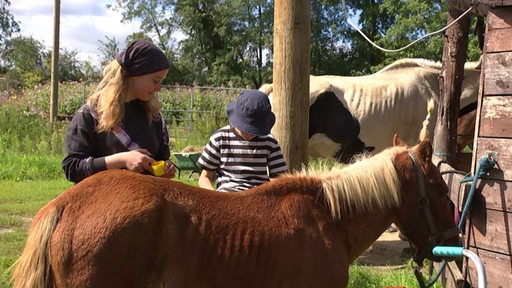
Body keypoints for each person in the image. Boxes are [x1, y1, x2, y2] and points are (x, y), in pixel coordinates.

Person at [62, 40, 176, 183]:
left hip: (146, 199)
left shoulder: (155, 117)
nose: (158, 88)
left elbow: (161, 158)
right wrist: (122, 160)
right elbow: (72, 168)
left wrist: (166, 167)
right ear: (135, 74)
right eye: (155, 80)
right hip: (100, 200)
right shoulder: (90, 114)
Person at [197, 89, 288, 192]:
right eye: (247, 129)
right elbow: (204, 177)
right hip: (227, 197)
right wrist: (214, 197)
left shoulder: (269, 142)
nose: (250, 133)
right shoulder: (219, 138)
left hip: (258, 197)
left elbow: (280, 180)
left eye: (255, 130)